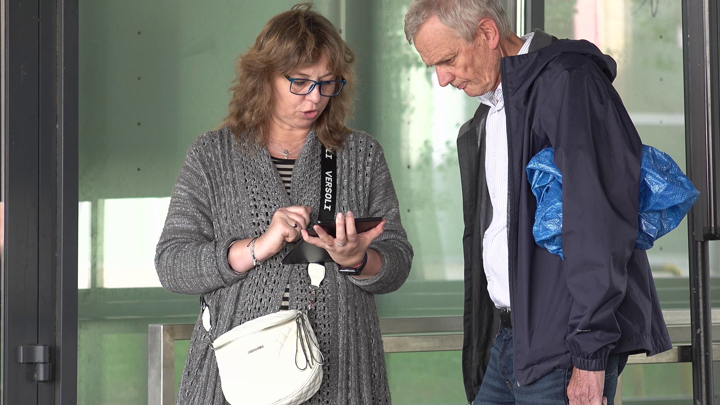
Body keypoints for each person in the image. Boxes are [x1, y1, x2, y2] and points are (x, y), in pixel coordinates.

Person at [403, 1, 671, 404]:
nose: (442, 79)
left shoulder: (567, 82)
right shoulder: (492, 112)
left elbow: (597, 221)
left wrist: (589, 354)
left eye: (448, 60)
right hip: (511, 340)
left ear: (487, 33)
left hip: (564, 347)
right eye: (434, 67)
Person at [155, 4, 412, 404]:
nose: (315, 97)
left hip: (343, 377)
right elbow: (172, 265)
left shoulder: (360, 155)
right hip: (239, 380)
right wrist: (256, 248)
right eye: (300, 82)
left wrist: (357, 260)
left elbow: (397, 260)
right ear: (264, 77)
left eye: (327, 83)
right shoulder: (213, 156)